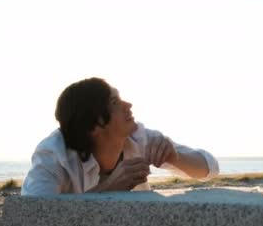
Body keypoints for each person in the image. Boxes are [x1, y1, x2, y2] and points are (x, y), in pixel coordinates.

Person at [21, 77, 219, 195]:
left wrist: (176, 157)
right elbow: (35, 215)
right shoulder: (54, 153)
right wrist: (108, 189)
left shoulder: (139, 137)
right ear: (94, 124)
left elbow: (209, 169)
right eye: (115, 102)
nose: (128, 105)